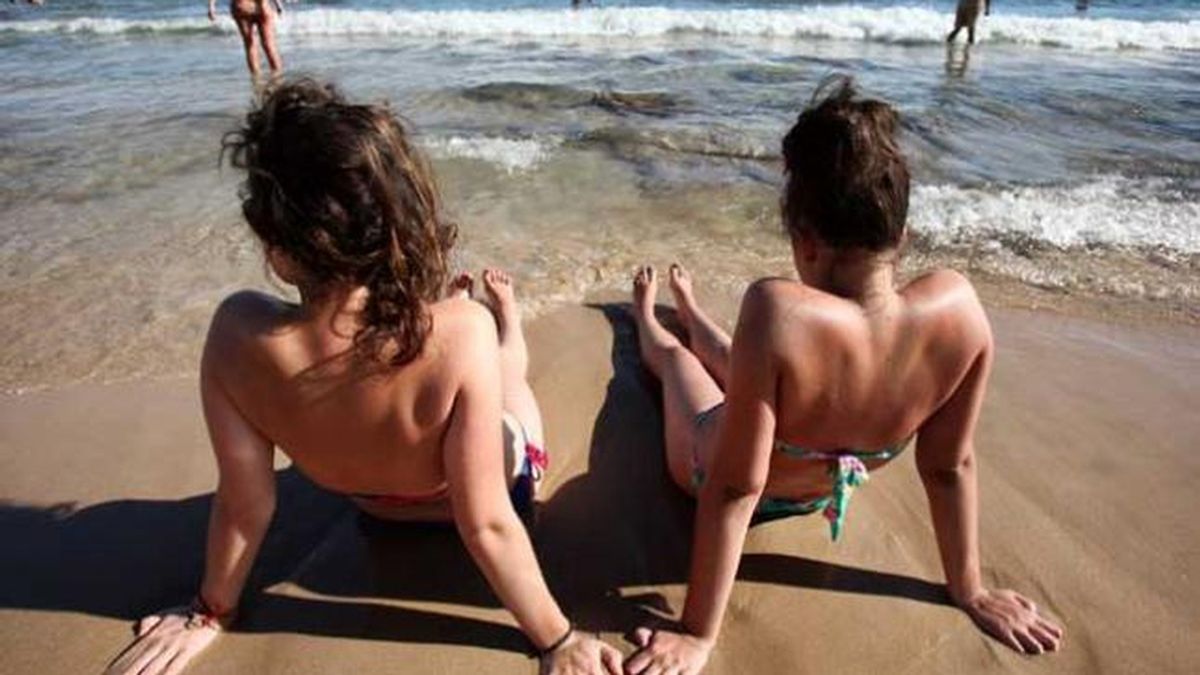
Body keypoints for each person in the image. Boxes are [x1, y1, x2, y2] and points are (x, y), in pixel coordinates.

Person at [104, 79, 620, 675]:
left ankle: (487, 337)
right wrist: (557, 640)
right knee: (511, 384)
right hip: (490, 485)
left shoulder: (236, 335)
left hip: (377, 508)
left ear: (280, 252)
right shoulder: (459, 331)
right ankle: (509, 326)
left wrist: (208, 611)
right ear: (399, 217)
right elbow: (486, 522)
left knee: (462, 357)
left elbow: (245, 504)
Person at [623, 77, 1064, 674]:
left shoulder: (778, 313)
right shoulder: (960, 313)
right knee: (733, 359)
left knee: (678, 364)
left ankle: (648, 315)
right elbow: (948, 466)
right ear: (901, 235)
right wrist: (971, 589)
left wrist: (699, 633)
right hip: (813, 490)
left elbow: (733, 487)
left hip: (705, 470)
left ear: (804, 241)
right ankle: (692, 310)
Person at [209, 0, 284, 79]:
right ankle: (278, 79)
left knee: (250, 45)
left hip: (242, 6)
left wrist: (211, 7)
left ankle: (257, 81)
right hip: (261, 5)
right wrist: (278, 5)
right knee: (269, 45)